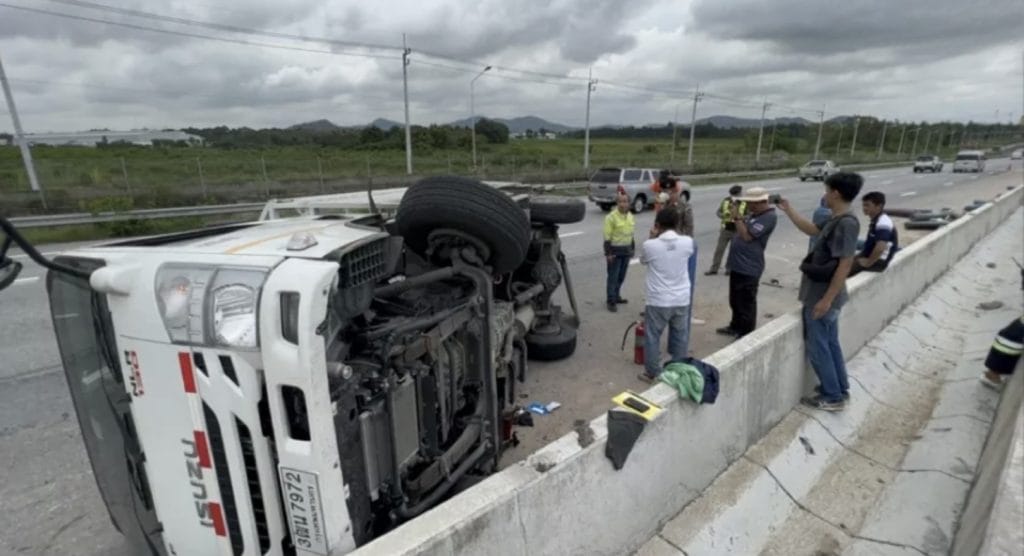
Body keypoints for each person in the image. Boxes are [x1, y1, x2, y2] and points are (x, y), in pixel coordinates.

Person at [778, 172, 864, 412]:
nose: (824, 195)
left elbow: (845, 263)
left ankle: (832, 396)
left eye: (827, 191)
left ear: (836, 193)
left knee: (819, 346)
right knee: (831, 343)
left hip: (823, 297)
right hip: (824, 296)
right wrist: (789, 210)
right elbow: (813, 230)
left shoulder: (846, 223)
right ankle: (839, 388)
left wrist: (826, 300)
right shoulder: (836, 219)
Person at [639, 208, 694, 382]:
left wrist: (652, 236)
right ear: (677, 223)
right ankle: (678, 371)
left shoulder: (650, 245)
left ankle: (652, 373)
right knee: (680, 336)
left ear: (657, 224)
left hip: (658, 300)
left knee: (653, 336)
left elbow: (643, 260)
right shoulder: (688, 242)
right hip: (681, 298)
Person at [715, 187, 778, 339]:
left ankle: (746, 333)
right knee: (735, 300)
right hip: (737, 265)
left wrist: (737, 218)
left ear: (763, 202)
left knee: (746, 303)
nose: (750, 206)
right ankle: (735, 325)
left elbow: (747, 236)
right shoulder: (754, 215)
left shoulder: (768, 217)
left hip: (749, 267)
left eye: (753, 203)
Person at [849, 191, 898, 276]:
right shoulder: (876, 220)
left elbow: (880, 247)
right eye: (863, 205)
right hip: (869, 256)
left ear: (879, 206)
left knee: (840, 272)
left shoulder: (883, 222)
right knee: (842, 263)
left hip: (878, 262)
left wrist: (868, 262)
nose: (864, 208)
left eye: (867, 205)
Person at [604, 192, 636, 312]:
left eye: (626, 201)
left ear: (629, 203)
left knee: (621, 276)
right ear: (617, 203)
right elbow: (607, 237)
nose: (623, 204)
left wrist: (632, 249)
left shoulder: (630, 216)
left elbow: (631, 234)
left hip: (626, 251)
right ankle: (610, 300)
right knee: (613, 277)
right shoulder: (610, 217)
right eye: (621, 201)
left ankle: (617, 296)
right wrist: (608, 254)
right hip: (615, 252)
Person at [707, 185, 745, 275]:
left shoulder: (744, 202)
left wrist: (740, 217)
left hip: (737, 230)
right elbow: (718, 212)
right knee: (719, 249)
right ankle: (714, 268)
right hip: (726, 229)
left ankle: (729, 269)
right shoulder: (726, 201)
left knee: (733, 250)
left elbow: (749, 214)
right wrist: (723, 215)